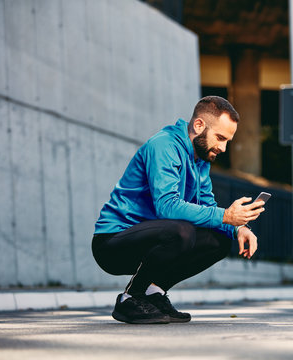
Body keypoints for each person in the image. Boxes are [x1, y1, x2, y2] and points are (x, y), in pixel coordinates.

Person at [91, 96, 265, 324]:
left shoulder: (201, 159)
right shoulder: (164, 145)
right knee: (182, 231)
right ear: (199, 125)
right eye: (220, 138)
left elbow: (207, 206)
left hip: (153, 240)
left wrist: (238, 228)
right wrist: (226, 216)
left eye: (227, 141)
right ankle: (130, 298)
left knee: (219, 240)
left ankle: (154, 294)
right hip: (113, 242)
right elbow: (166, 206)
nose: (223, 148)